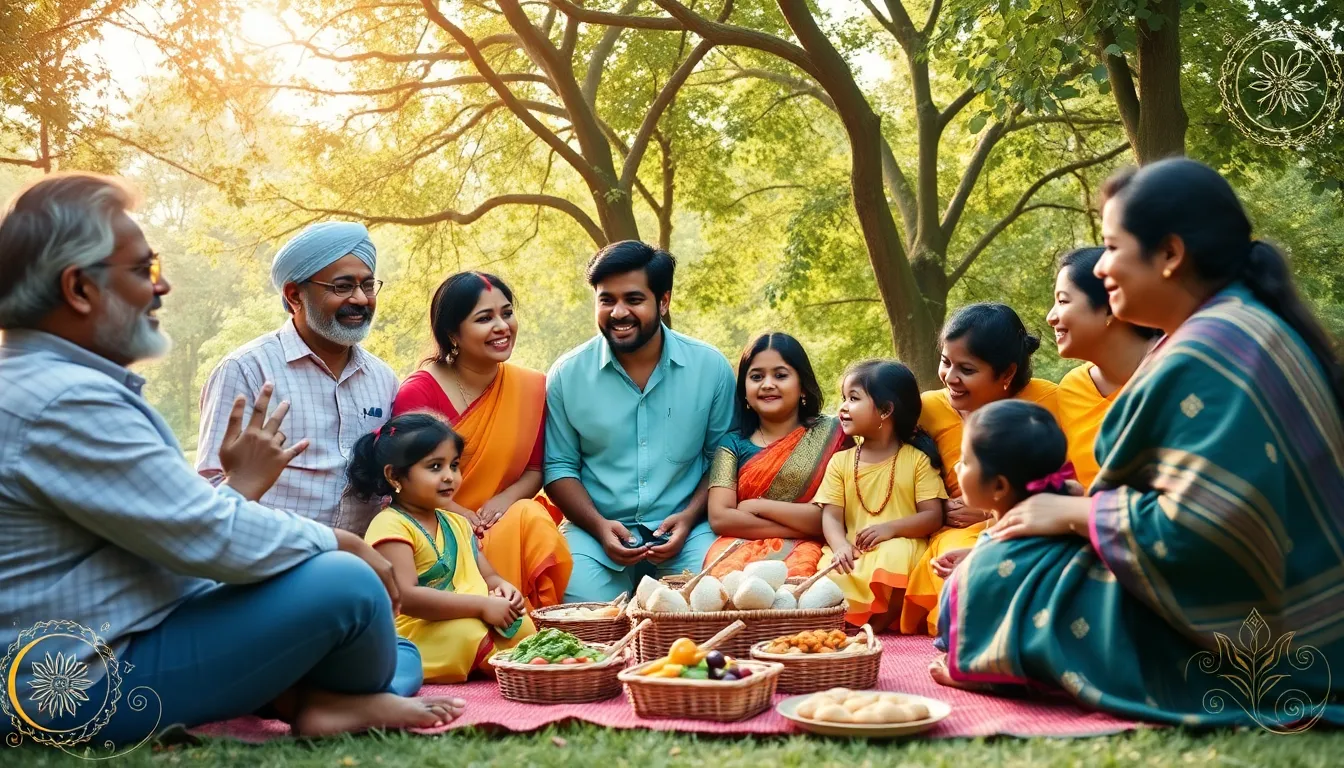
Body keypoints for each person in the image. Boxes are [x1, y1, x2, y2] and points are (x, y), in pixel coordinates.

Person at [0, 174, 462, 744]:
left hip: (146, 621)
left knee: (387, 626)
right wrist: (342, 543)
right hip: (73, 677)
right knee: (351, 586)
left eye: (369, 284)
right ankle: (320, 696)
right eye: (143, 270)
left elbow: (180, 532)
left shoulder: (48, 384)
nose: (162, 286)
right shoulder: (65, 398)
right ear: (78, 288)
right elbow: (206, 531)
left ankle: (311, 689)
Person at [942, 158, 1343, 726]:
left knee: (998, 574)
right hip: (1266, 607)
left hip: (1271, 642)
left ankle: (996, 657)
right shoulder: (1227, 328)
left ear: (1170, 255)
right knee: (1005, 555)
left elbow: (1202, 535)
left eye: (1111, 246)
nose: (1100, 267)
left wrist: (1073, 513)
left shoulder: (1216, 350)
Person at [545, 241, 735, 603]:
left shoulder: (710, 368)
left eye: (633, 299)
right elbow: (559, 466)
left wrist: (690, 516)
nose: (618, 312)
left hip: (688, 530)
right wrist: (599, 528)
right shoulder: (567, 375)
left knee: (711, 607)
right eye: (606, 300)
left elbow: (722, 459)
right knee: (584, 620)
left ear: (663, 301)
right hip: (595, 532)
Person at [196, 221, 398, 534]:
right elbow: (213, 487)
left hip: (365, 567)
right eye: (342, 287)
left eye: (368, 285)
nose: (360, 299)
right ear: (294, 295)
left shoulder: (383, 378)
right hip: (274, 562)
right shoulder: (247, 370)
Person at [391, 272, 572, 608]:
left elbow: (535, 469)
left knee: (530, 515)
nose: (502, 326)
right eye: (485, 318)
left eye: (506, 313)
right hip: (439, 528)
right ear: (452, 333)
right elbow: (405, 477)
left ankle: (539, 623)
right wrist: (460, 514)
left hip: (498, 522)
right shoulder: (419, 391)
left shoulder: (530, 388)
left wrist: (504, 501)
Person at [898, 303, 1059, 636]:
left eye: (967, 370)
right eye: (946, 362)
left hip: (1029, 524)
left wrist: (990, 514)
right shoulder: (927, 408)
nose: (950, 378)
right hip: (954, 530)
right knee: (952, 555)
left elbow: (1063, 478)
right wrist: (936, 507)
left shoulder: (1047, 402)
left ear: (1006, 374)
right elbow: (891, 465)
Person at [349, 413, 536, 683]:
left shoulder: (457, 523)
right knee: (467, 633)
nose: (450, 477)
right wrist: (482, 607)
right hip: (416, 629)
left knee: (521, 624)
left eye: (455, 465)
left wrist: (504, 590)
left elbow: (489, 577)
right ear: (394, 475)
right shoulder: (390, 525)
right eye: (435, 467)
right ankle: (497, 662)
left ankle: (491, 659)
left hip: (467, 614)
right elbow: (407, 597)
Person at [924, 400, 1070, 669]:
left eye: (965, 461)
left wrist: (956, 670)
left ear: (999, 486)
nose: (956, 467)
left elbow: (965, 650)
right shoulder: (1070, 528)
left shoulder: (977, 572)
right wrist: (976, 553)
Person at [704, 332, 848, 578]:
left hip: (821, 552)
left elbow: (830, 516)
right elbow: (720, 518)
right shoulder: (732, 444)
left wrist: (758, 505)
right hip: (738, 551)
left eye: (780, 375)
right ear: (745, 390)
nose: (767, 384)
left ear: (802, 385)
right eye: (756, 376)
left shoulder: (833, 435)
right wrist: (802, 528)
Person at [816, 360, 946, 630]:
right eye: (843, 398)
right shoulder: (840, 462)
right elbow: (830, 516)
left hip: (900, 544)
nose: (842, 407)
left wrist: (890, 529)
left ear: (886, 410)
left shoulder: (917, 460)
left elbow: (932, 517)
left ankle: (885, 618)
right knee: (829, 567)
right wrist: (840, 545)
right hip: (853, 549)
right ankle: (854, 619)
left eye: (853, 398)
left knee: (894, 554)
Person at [1047, 247, 1161, 488]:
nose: (1050, 317)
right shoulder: (1072, 387)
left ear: (1111, 305)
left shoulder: (1173, 367)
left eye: (1062, 301)